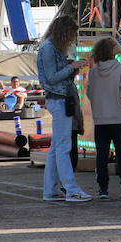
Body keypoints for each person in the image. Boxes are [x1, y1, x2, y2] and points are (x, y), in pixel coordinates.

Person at [37, 15, 91, 203]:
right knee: (63, 147)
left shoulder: (52, 48)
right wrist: (73, 67)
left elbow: (53, 75)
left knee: (56, 148)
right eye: (70, 35)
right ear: (64, 32)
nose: (71, 39)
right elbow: (52, 77)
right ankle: (71, 189)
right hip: (59, 99)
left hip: (59, 99)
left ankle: (51, 189)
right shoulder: (49, 49)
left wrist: (71, 67)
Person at [86, 38, 121, 199]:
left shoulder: (93, 71)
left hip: (100, 118)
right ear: (112, 50)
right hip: (117, 116)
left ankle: (103, 189)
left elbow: (89, 93)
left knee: (102, 154)